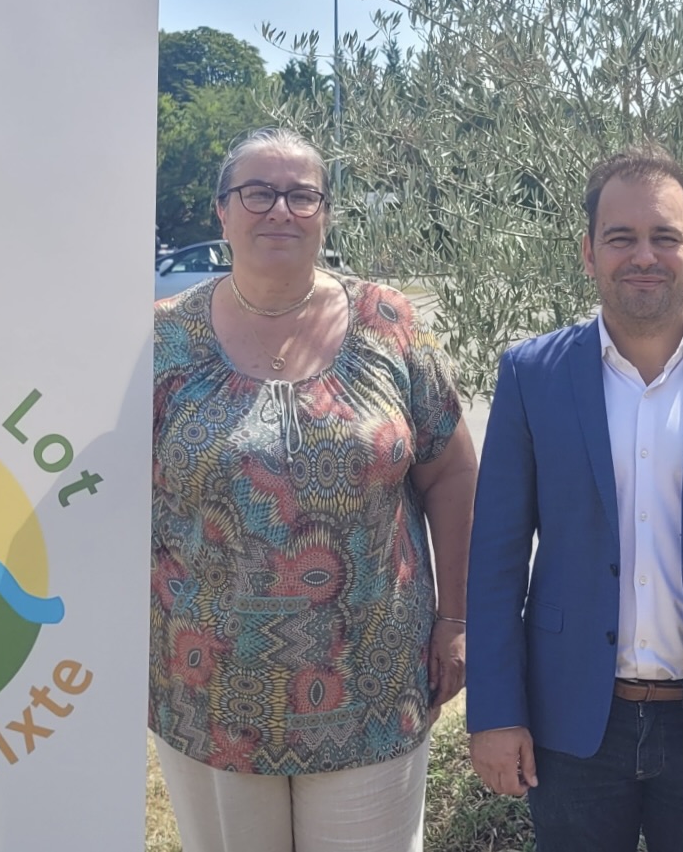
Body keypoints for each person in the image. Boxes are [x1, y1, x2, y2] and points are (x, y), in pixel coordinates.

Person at [465, 144, 683, 852]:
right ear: (588, 252)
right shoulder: (532, 376)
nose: (644, 256)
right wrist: (495, 712)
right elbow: (496, 562)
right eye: (621, 237)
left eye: (664, 236)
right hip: (572, 723)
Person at [150, 126, 477, 852]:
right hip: (209, 692)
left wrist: (456, 618)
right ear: (221, 211)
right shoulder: (163, 340)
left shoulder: (386, 323)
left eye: (302, 195)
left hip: (372, 684)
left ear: (325, 213)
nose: (280, 210)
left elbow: (452, 471)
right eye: (257, 193)